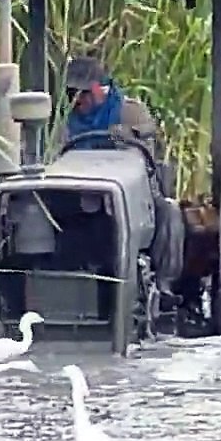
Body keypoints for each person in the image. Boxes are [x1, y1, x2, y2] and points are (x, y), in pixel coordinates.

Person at [52, 56, 184, 300]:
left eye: (81, 93)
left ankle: (163, 287)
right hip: (77, 196)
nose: (77, 100)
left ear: (98, 89)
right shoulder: (62, 123)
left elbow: (146, 157)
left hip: (130, 198)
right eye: (71, 94)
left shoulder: (131, 112)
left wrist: (123, 140)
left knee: (169, 213)